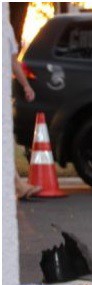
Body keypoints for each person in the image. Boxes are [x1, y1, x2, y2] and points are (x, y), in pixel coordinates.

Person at [7, 18, 41, 199]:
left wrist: (26, 86)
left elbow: (13, 62)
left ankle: (18, 186)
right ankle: (18, 186)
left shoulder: (6, 30)